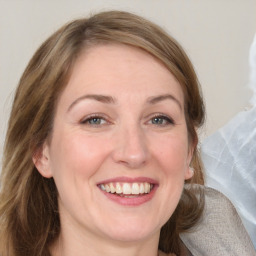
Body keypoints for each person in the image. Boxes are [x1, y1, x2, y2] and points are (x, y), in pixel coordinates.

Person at [0, 10, 254, 256]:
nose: (134, 153)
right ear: (41, 151)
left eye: (158, 119)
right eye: (95, 120)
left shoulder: (218, 237)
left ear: (189, 151)